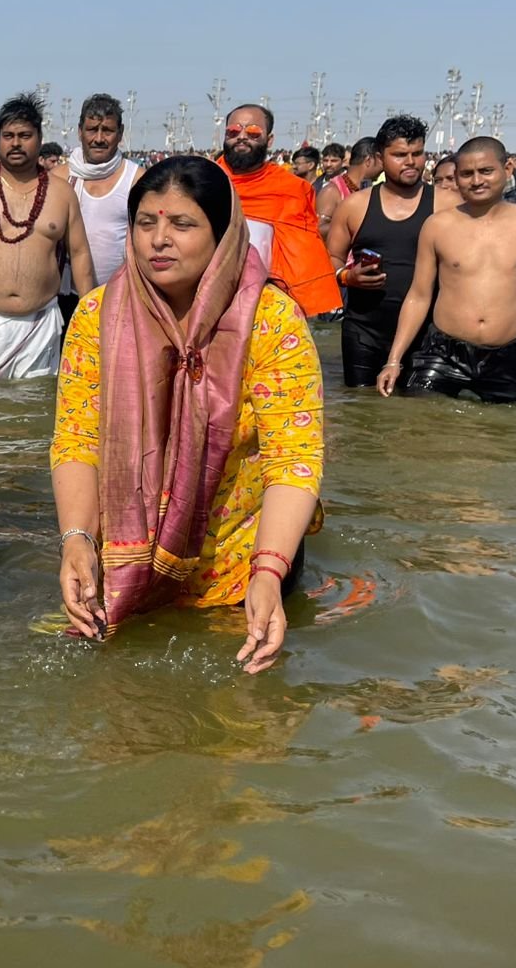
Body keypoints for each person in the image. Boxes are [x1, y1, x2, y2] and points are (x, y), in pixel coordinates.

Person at [53, 156, 322, 674]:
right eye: (145, 223)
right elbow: (77, 439)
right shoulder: (97, 317)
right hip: (126, 559)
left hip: (244, 565)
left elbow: (294, 458)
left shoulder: (270, 319)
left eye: (182, 224)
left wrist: (268, 573)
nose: (159, 240)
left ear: (222, 235)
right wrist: (76, 542)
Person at [378, 136, 516, 403]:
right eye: (466, 174)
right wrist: (394, 360)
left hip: (509, 352)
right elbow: (418, 296)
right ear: (457, 177)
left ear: (507, 169)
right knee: (418, 419)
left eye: (486, 171)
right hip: (442, 352)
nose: (476, 181)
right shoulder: (437, 225)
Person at [0, 93, 95, 380]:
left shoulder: (62, 193)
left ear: (40, 138)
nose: (15, 143)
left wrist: (91, 319)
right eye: (8, 136)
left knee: (36, 403)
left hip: (40, 326)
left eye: (24, 135)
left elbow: (80, 254)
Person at [326, 115, 445, 387]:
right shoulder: (354, 206)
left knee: (422, 409)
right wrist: (347, 276)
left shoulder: (445, 203)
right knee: (361, 406)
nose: (411, 162)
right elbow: (330, 259)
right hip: (364, 330)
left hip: (427, 331)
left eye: (417, 153)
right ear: (380, 158)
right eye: (400, 155)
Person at [218, 103, 342, 316]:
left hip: (269, 301)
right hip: (208, 295)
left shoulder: (293, 189)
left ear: (269, 140)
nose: (242, 137)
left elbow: (303, 253)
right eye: (233, 131)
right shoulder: (203, 180)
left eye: (253, 132)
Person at [60, 93, 143, 326]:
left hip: (120, 297)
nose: (98, 138)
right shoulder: (60, 178)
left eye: (107, 130)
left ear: (120, 133)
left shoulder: (136, 180)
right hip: (66, 297)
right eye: (91, 130)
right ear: (80, 131)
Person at [316, 137, 375, 238]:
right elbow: (319, 229)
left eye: (334, 161)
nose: (328, 164)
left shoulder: (366, 185)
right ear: (369, 160)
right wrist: (350, 221)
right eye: (325, 160)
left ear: (343, 162)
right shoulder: (331, 190)